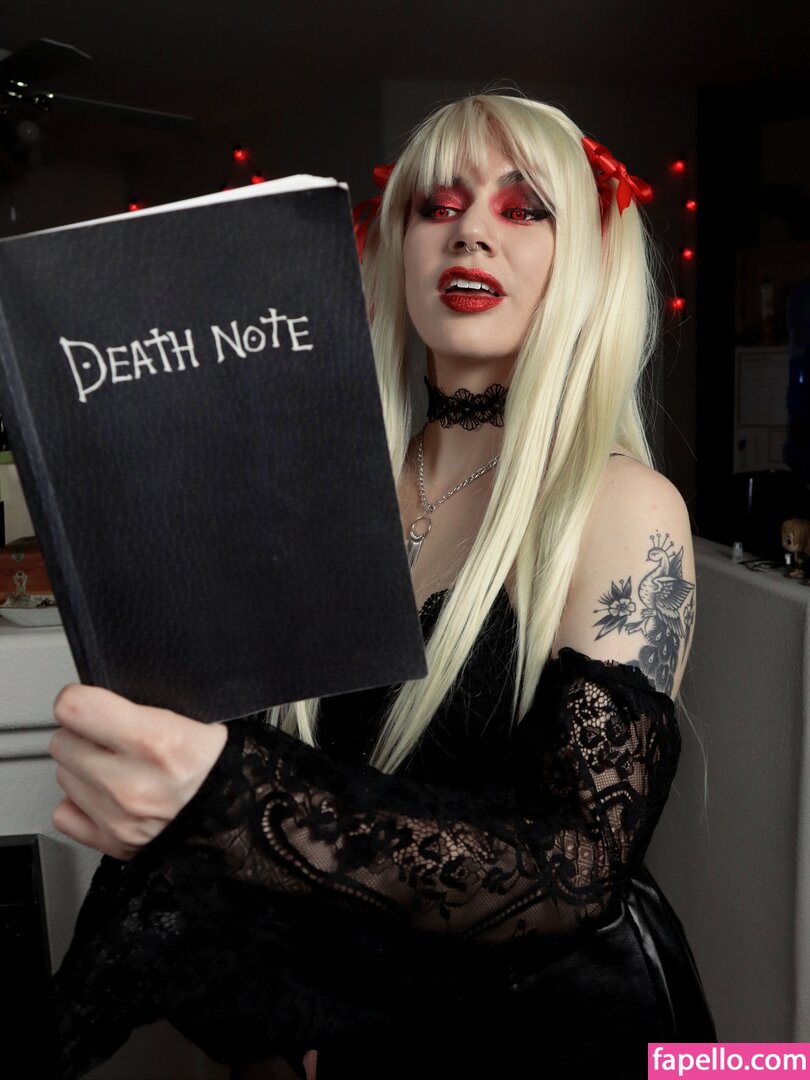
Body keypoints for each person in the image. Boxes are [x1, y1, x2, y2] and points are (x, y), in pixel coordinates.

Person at [44, 92, 715, 1080]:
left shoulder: (623, 506)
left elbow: (575, 871)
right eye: (437, 206)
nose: (470, 231)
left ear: (585, 260)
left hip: (559, 1041)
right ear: (396, 244)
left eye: (523, 208)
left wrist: (227, 791)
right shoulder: (322, 494)